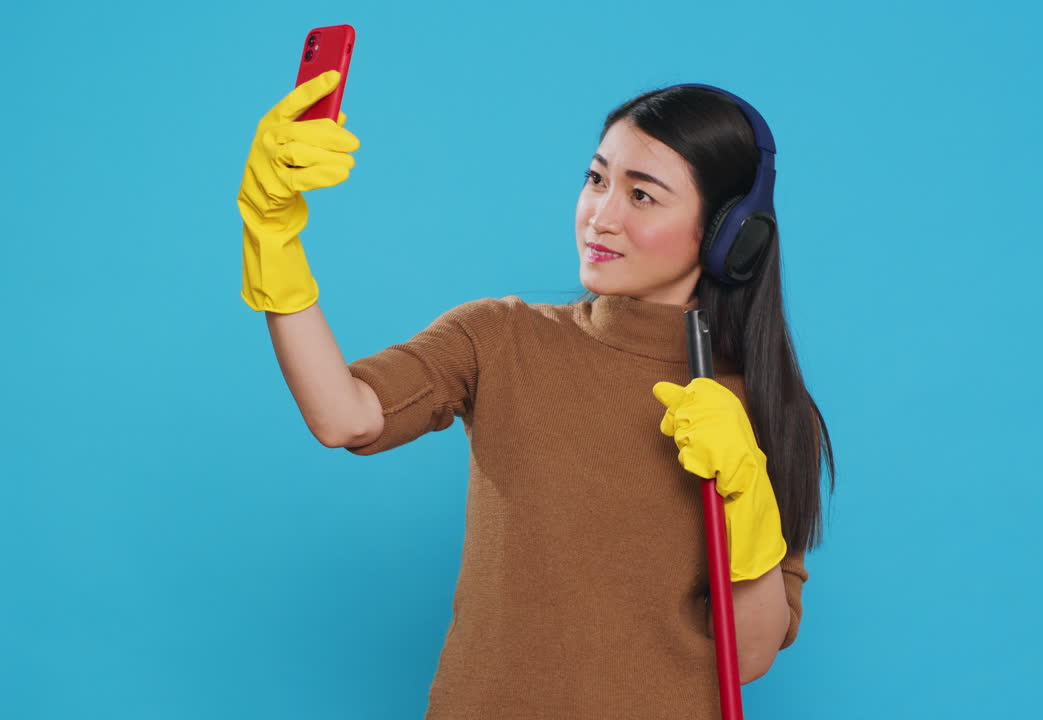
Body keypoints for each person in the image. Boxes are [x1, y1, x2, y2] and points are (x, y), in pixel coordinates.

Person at [238, 71, 835, 719]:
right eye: (597, 179)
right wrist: (275, 246)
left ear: (728, 234)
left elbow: (746, 660)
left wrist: (745, 495)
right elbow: (344, 416)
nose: (601, 216)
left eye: (642, 195)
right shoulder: (501, 339)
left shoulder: (768, 412)